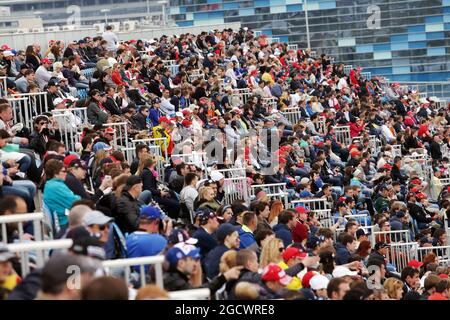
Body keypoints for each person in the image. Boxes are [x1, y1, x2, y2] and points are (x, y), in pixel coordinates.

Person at [43, 159, 81, 231]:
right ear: (55, 173)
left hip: (65, 219)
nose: (66, 173)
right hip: (65, 223)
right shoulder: (55, 186)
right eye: (63, 171)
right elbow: (76, 202)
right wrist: (77, 197)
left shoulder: (53, 184)